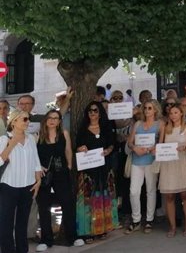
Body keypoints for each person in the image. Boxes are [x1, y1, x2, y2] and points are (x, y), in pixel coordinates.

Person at [35, 110, 84, 251]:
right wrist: (38, 167)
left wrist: (69, 165)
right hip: (44, 175)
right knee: (43, 207)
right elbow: (34, 154)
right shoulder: (38, 135)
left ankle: (73, 237)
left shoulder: (64, 134)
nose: (52, 120)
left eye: (56, 118)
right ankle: (46, 239)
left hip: (61, 173)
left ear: (59, 121)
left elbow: (68, 150)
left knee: (68, 204)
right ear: (46, 120)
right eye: (50, 118)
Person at [75, 102, 118, 241]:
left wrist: (108, 150)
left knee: (103, 199)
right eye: (90, 111)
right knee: (88, 200)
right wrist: (80, 149)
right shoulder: (82, 129)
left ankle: (102, 229)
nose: (93, 113)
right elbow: (77, 146)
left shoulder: (106, 128)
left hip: (104, 169)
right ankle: (87, 231)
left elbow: (113, 144)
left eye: (95, 110)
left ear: (100, 113)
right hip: (88, 171)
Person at [0, 111, 42, 253]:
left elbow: (35, 160)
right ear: (14, 121)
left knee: (22, 223)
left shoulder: (31, 138)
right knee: (6, 223)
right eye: (24, 119)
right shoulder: (4, 139)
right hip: (8, 186)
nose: (27, 121)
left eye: (28, 119)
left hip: (28, 186)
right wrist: (12, 143)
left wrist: (38, 180)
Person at [157, 102, 186, 237]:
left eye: (176, 112)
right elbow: (160, 145)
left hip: (182, 162)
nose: (173, 115)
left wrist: (185, 147)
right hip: (168, 164)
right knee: (169, 196)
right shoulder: (165, 127)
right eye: (171, 113)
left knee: (185, 195)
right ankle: (172, 227)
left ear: (181, 113)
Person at [125, 100, 162, 235]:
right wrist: (134, 147)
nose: (147, 110)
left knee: (151, 190)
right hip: (137, 160)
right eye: (145, 108)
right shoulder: (138, 124)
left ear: (155, 110)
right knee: (134, 191)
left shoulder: (160, 124)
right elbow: (129, 142)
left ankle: (149, 220)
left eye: (150, 108)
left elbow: (162, 142)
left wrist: (154, 148)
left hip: (151, 160)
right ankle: (136, 220)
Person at [109, 90, 133, 224]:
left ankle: (125, 211)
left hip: (125, 152)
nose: (117, 100)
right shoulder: (107, 115)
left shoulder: (129, 113)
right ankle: (113, 211)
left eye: (120, 97)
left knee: (125, 181)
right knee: (113, 181)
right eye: (115, 98)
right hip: (112, 152)